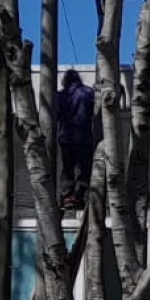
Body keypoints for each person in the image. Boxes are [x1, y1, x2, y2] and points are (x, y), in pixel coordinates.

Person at [55, 70, 96, 207]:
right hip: (84, 136)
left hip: (66, 137)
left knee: (68, 167)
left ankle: (67, 195)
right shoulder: (88, 93)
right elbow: (94, 112)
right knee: (84, 168)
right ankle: (79, 195)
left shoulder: (61, 95)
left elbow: (56, 114)